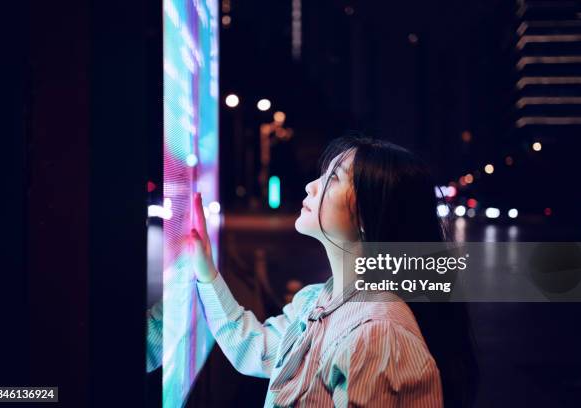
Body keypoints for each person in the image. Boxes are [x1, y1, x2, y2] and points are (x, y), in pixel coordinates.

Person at [187, 135, 477, 407]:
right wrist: (206, 270)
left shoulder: (377, 334)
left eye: (333, 178)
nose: (311, 186)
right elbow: (255, 349)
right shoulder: (317, 300)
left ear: (368, 213)